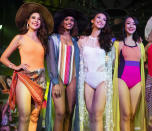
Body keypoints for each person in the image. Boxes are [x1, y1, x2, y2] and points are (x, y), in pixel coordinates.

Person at [0, 2, 53, 131]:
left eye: (39, 19)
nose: (36, 21)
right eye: (33, 18)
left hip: (40, 79)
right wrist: (16, 66)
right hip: (24, 78)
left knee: (35, 117)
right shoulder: (20, 38)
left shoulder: (43, 40)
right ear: (27, 21)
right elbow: (3, 57)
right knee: (24, 116)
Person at [74, 11, 119, 131]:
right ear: (92, 20)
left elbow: (112, 61)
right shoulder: (82, 40)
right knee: (91, 115)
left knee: (98, 115)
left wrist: (105, 63)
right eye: (98, 18)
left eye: (104, 19)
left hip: (102, 80)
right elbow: (77, 60)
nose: (101, 21)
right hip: (87, 79)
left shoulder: (108, 42)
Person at [46, 9, 87, 131]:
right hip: (58, 77)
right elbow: (51, 60)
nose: (69, 22)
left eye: (72, 20)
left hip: (73, 79)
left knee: (69, 114)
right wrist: (55, 82)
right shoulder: (53, 39)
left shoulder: (76, 41)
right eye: (66, 19)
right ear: (61, 21)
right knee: (60, 113)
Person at [114, 16, 146, 131]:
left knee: (132, 114)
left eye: (134, 24)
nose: (131, 26)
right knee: (126, 114)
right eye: (128, 23)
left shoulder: (140, 44)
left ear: (136, 27)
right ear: (124, 26)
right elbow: (111, 63)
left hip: (137, 81)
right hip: (121, 79)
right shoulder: (118, 44)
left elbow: (146, 63)